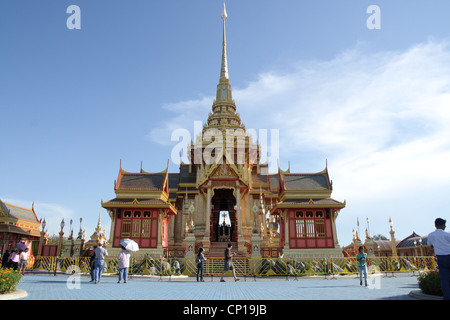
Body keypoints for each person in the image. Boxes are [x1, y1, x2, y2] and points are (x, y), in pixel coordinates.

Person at [427, 218, 450, 300]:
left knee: (444, 280)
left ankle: (447, 297)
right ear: (443, 225)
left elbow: (431, 245)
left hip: (440, 257)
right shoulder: (447, 235)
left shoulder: (431, 235)